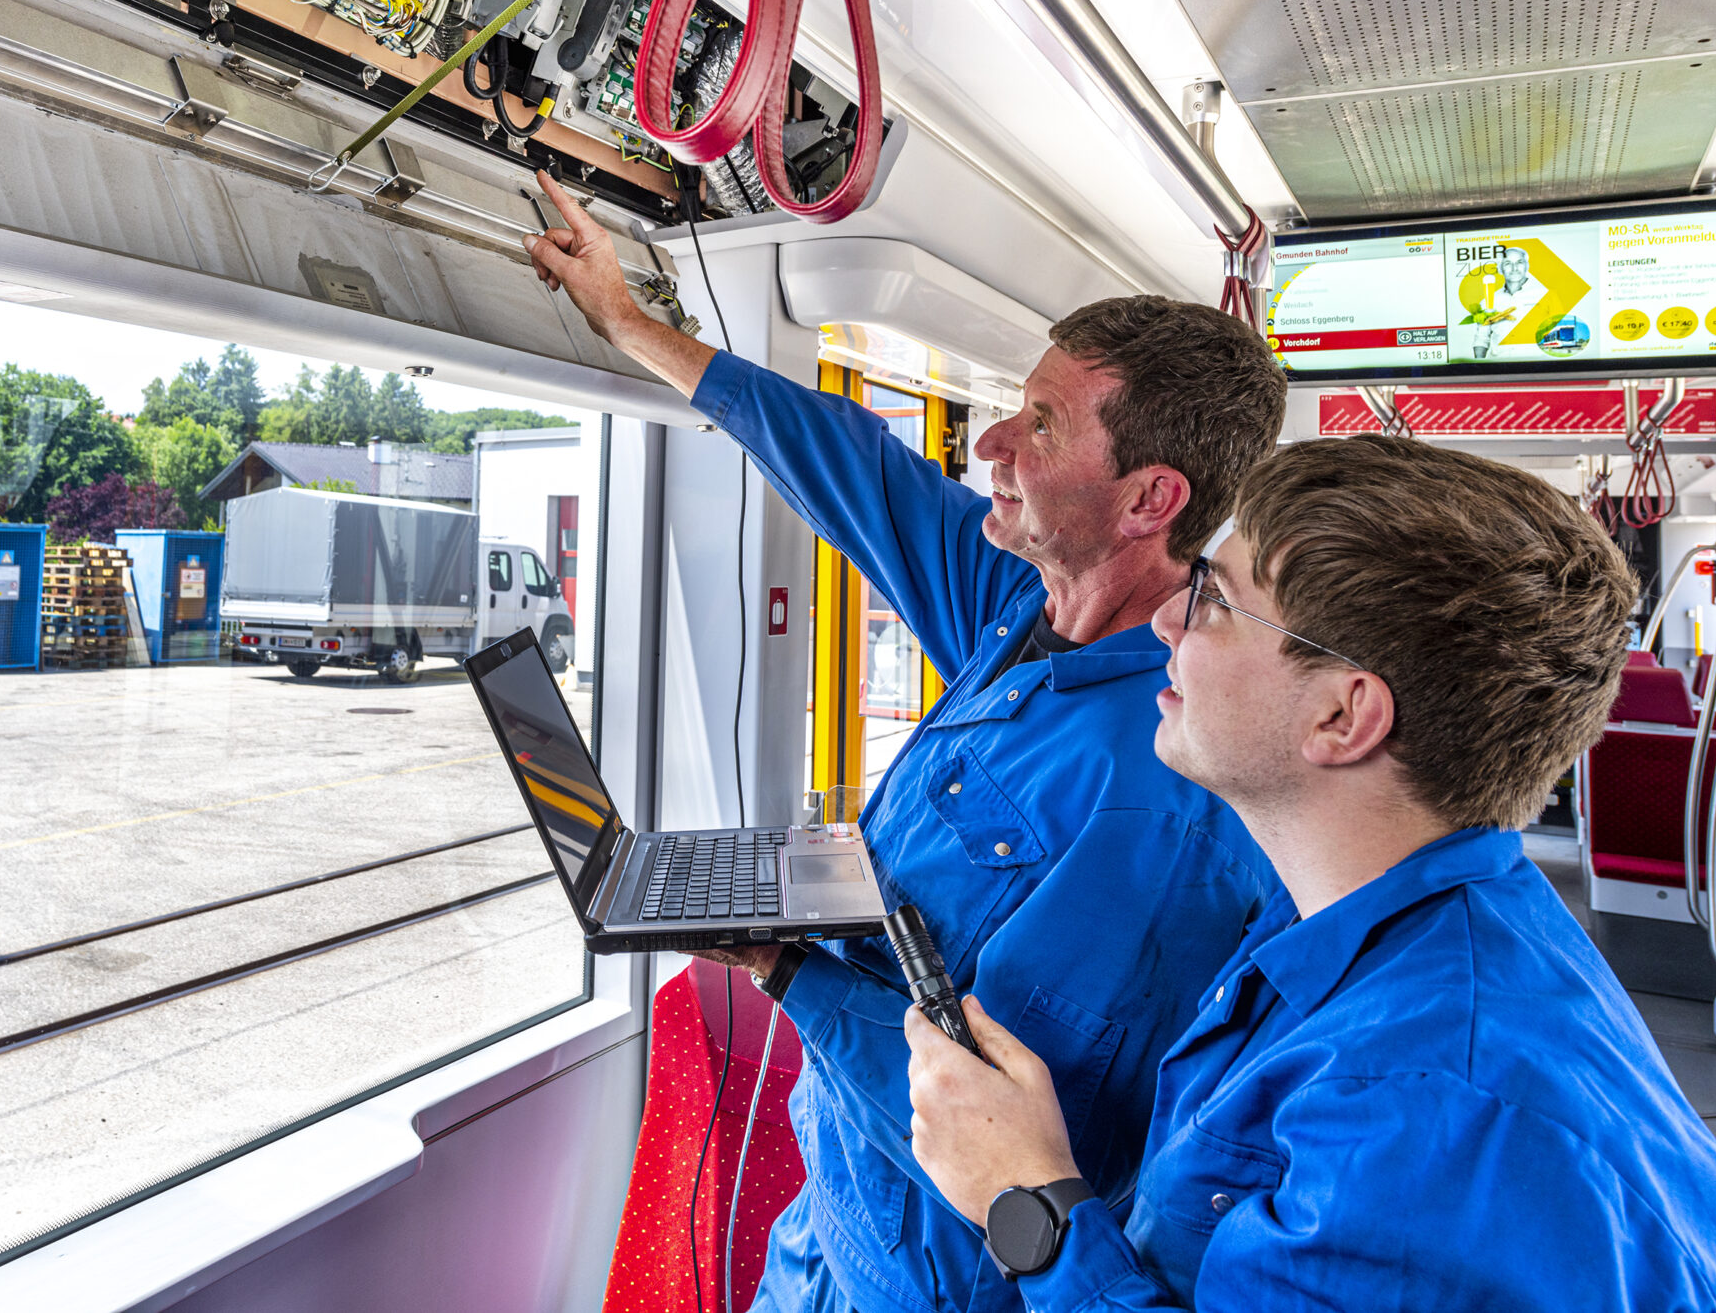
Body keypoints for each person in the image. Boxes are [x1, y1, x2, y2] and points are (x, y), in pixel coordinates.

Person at [522, 168, 1288, 1313]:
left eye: (1039, 425)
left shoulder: (1169, 787)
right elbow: (847, 463)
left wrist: (783, 964)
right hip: (832, 1212)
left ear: (1146, 501)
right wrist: (632, 324)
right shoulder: (1014, 599)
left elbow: (1024, 1124)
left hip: (934, 1272)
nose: (991, 443)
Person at [902, 435, 1716, 1310]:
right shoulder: (1378, 919)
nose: (1165, 619)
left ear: (1343, 714)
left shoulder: (1423, 1114)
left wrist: (1027, 1194)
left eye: (1213, 600)